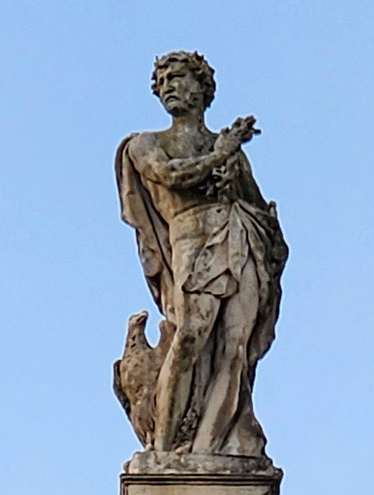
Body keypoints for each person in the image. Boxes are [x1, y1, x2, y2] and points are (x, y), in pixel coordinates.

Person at [115, 51, 287, 462]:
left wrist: (271, 232)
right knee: (191, 333)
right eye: (163, 81)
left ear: (202, 88)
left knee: (235, 347)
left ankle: (212, 443)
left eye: (178, 78)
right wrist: (220, 154)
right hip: (190, 239)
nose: (170, 87)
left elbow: (256, 205)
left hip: (239, 240)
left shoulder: (230, 153)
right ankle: (166, 446)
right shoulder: (146, 143)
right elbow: (172, 176)